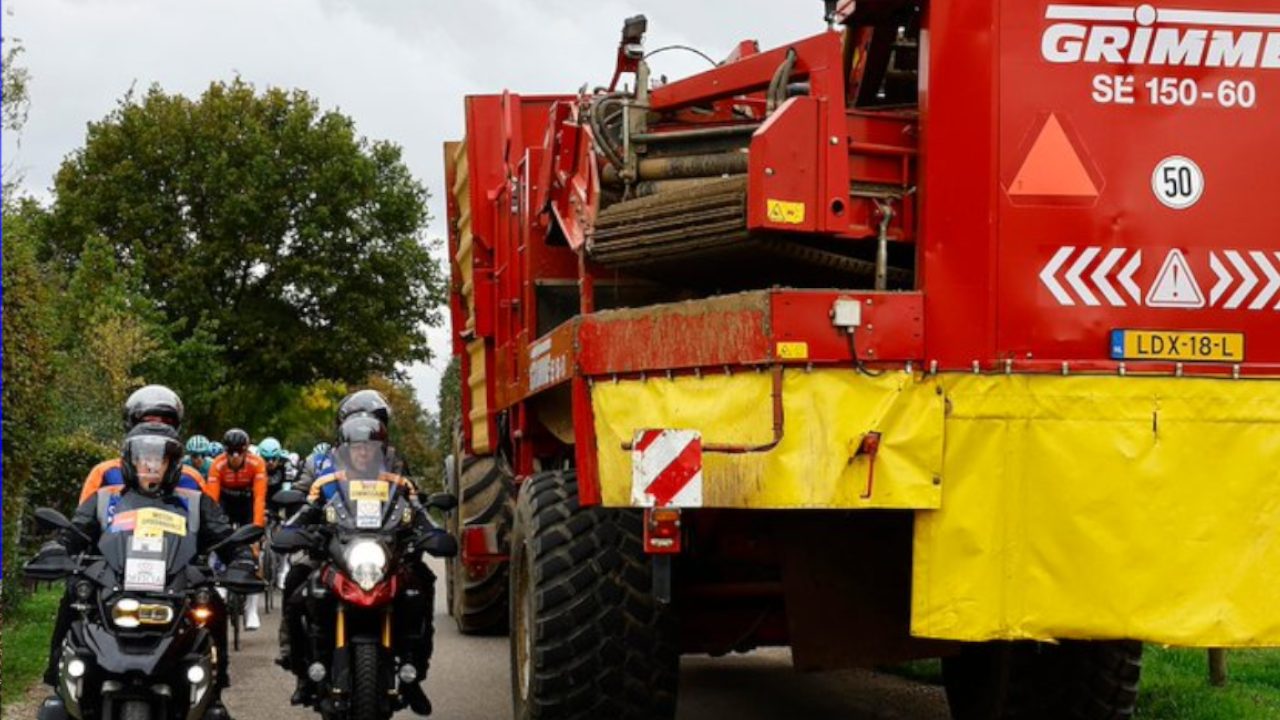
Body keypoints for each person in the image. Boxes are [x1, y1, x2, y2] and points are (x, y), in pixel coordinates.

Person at [33, 422, 257, 719]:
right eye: (144, 457)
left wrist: (241, 559)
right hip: (111, 586)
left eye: (159, 459)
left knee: (213, 604)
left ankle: (214, 690)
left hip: (176, 588)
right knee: (73, 596)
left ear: (172, 463)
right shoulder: (105, 498)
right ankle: (58, 681)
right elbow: (73, 533)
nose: (150, 465)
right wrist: (56, 549)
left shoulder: (194, 502)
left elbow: (224, 537)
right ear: (130, 460)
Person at [278, 415, 439, 714]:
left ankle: (414, 672)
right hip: (340, 553)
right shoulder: (327, 481)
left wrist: (433, 533)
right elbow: (305, 510)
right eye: (357, 447)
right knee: (298, 586)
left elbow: (417, 510)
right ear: (345, 449)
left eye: (370, 447)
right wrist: (292, 530)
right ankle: (301, 672)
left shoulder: (397, 480)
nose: (363, 453)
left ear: (382, 449)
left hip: (384, 553)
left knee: (423, 584)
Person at [77, 386, 215, 503]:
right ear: (131, 426)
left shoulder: (191, 478)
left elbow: (212, 524)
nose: (156, 430)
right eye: (148, 422)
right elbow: (83, 524)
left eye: (164, 423)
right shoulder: (105, 473)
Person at [206, 428, 269, 629]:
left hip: (247, 503)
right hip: (225, 502)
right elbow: (212, 501)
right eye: (230, 452)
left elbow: (259, 498)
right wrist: (211, 529)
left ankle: (251, 610)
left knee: (254, 551)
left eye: (238, 452)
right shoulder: (218, 464)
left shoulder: (256, 464)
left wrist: (257, 529)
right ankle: (219, 580)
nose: (234, 457)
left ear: (245, 451)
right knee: (217, 541)